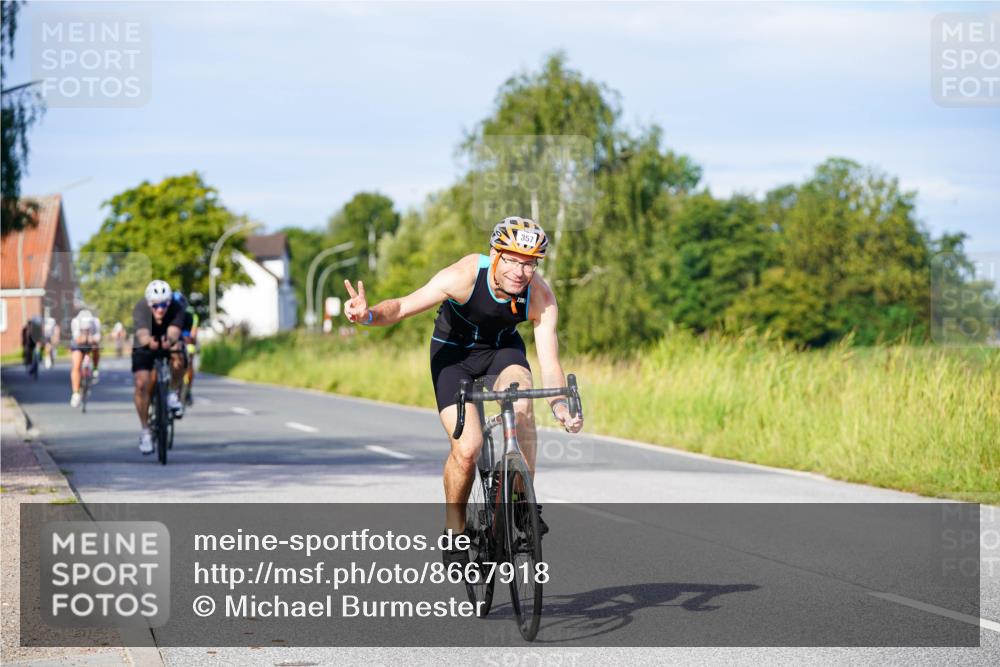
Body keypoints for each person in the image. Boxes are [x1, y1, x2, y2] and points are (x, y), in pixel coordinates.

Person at [342, 216, 583, 561]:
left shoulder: (540, 296)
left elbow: (550, 364)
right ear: (495, 254)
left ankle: (520, 505)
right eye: (512, 259)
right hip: (453, 357)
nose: (520, 271)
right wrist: (367, 315)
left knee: (523, 407)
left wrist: (560, 408)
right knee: (468, 448)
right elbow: (402, 307)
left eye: (529, 263)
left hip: (502, 352)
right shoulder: (464, 276)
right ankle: (454, 528)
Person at [131, 280, 186, 455]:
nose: (160, 309)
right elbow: (142, 335)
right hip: (145, 346)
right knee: (142, 384)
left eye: (164, 305)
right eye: (156, 306)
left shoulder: (176, 307)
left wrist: (168, 341)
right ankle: (146, 431)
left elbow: (174, 332)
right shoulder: (140, 307)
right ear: (149, 304)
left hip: (166, 342)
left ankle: (172, 392)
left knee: (179, 356)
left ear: (169, 302)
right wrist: (150, 342)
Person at [69, 309, 102, 407]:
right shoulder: (75, 322)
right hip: (78, 345)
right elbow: (78, 340)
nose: (86, 331)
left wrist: (91, 339)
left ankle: (95, 368)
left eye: (87, 329)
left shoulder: (96, 322)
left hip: (90, 343)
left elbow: (98, 337)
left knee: (96, 347)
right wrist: (86, 338)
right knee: (76, 364)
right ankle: (75, 393)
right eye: (84, 329)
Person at [173, 290, 199, 406]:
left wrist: (189, 341)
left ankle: (188, 389)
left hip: (187, 340)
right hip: (175, 340)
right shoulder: (169, 314)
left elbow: (193, 334)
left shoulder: (191, 315)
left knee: (189, 362)